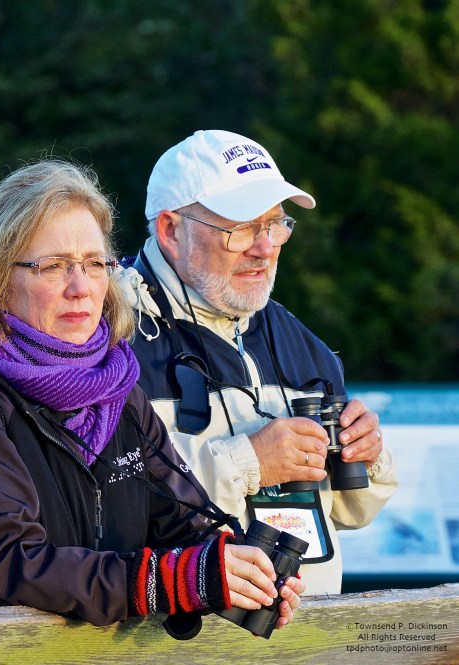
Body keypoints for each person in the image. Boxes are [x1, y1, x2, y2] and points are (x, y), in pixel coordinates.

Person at [0, 159, 304, 633]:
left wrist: (239, 570)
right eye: (53, 267)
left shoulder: (117, 388)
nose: (80, 288)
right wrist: (172, 580)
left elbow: (182, 525)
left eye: (94, 264)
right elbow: (10, 565)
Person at [120, 130, 397, 595]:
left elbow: (351, 513)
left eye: (275, 224)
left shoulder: (305, 345)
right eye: (241, 228)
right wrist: (247, 463)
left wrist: (366, 456)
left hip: (312, 642)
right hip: (175, 647)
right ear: (170, 229)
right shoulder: (105, 338)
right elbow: (103, 504)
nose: (265, 247)